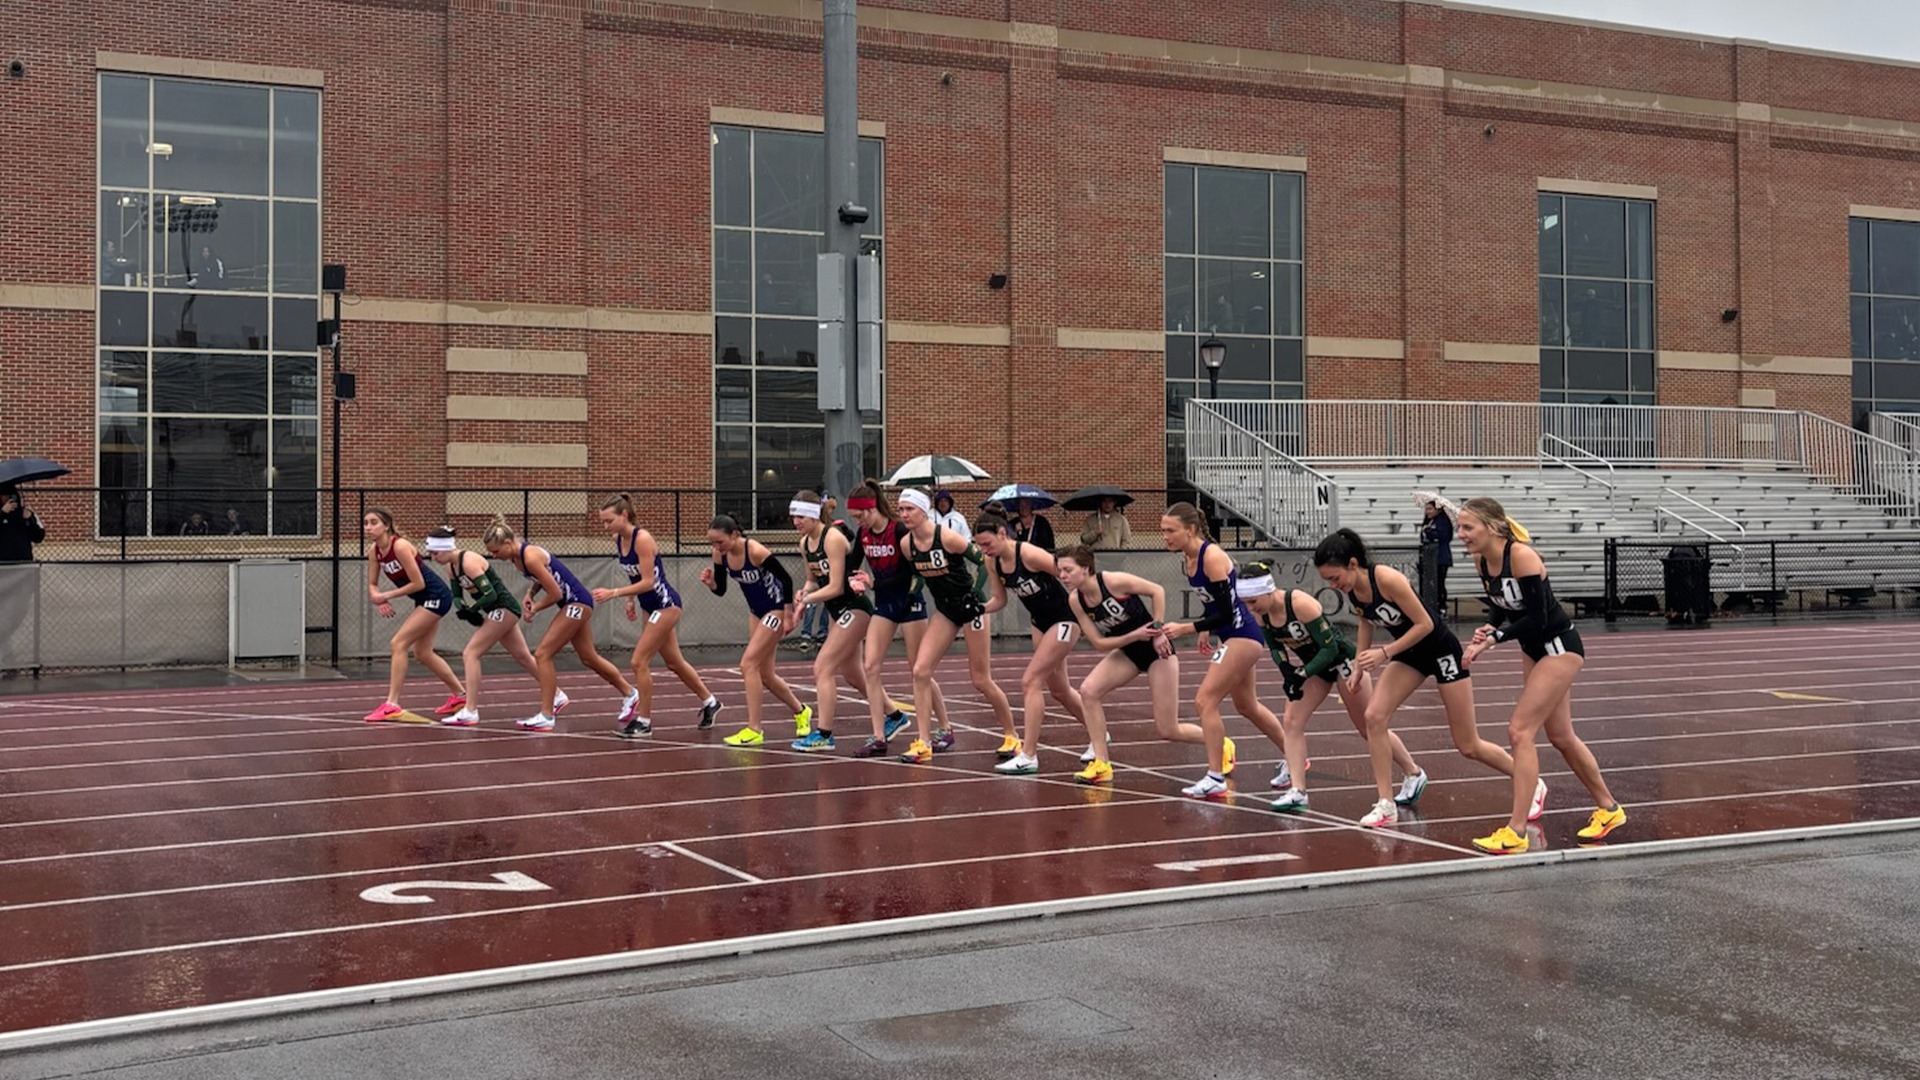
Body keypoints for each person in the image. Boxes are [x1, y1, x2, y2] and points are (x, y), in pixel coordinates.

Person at [1314, 527, 1536, 825]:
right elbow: (1365, 620)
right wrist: (1358, 666)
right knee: (1374, 717)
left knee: (1468, 744)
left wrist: (1385, 652)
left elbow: (1425, 624)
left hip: (1440, 650)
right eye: (1327, 580)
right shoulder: (1353, 589)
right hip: (1410, 655)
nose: (1333, 585)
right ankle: (1385, 802)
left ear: (1353, 564)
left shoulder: (1388, 579)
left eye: (1334, 578)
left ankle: (1528, 778)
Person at [1458, 497, 1626, 853]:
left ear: (1491, 526)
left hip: (1558, 646)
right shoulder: (1481, 562)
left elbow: (1540, 618)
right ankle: (1609, 809)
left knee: (1520, 730)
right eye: (1459, 527)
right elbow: (1503, 607)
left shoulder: (1521, 556)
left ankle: (1516, 831)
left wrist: (1494, 640)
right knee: (1562, 736)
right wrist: (1489, 627)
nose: (1461, 534)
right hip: (1534, 649)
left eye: (1467, 527)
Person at [1236, 560, 1427, 824]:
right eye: (1246, 603)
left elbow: (1330, 650)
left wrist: (1301, 673)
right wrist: (1286, 672)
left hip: (1342, 662)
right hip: (1315, 667)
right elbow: (1276, 648)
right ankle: (1297, 790)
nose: (1250, 608)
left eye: (1254, 601)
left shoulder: (1300, 604)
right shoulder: (1261, 612)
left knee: (1367, 726)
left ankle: (1413, 771)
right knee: (1291, 720)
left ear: (1268, 590)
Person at [1155, 502, 1286, 799]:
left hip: (1242, 633)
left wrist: (1188, 627)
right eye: (1162, 531)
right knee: (1247, 705)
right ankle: (1294, 756)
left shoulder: (1211, 556)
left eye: (1170, 531)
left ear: (1190, 530)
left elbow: (1228, 613)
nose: (1165, 537)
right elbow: (1215, 602)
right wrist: (1205, 627)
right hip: (1231, 635)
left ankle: (1215, 775)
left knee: (1205, 700)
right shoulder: (1188, 557)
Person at [483, 515, 639, 732]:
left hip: (576, 602)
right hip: (573, 603)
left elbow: (555, 592)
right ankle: (630, 693)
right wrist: (530, 593)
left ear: (508, 543)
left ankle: (547, 713)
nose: (493, 556)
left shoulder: (529, 555)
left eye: (496, 551)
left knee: (542, 654)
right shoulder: (516, 557)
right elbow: (543, 579)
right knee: (588, 657)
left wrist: (535, 608)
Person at [896, 488, 1017, 763]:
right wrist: (912, 594)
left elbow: (985, 561)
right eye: (901, 509)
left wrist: (975, 594)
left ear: (923, 510)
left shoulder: (947, 537)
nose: (904, 514)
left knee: (980, 679)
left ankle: (1011, 735)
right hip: (946, 609)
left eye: (909, 509)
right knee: (920, 670)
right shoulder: (907, 544)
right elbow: (919, 573)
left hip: (971, 607)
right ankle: (923, 741)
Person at [590, 494, 723, 738]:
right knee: (674, 662)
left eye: (609, 521)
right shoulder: (618, 539)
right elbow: (635, 575)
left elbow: (649, 582)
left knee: (638, 661)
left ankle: (644, 721)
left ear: (624, 516)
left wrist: (615, 593)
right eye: (603, 522)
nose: (606, 526)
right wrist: (630, 600)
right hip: (648, 606)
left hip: (666, 605)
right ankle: (710, 701)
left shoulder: (643, 539)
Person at [1055, 545, 1189, 785]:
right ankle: (1102, 763)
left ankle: (1220, 743)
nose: (1062, 576)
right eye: (1060, 571)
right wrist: (1134, 636)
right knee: (1088, 690)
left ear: (1086, 569)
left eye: (1067, 570)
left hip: (1158, 651)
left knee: (1168, 729)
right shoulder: (1076, 600)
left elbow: (1156, 590)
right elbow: (1098, 643)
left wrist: (1157, 630)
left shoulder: (1113, 582)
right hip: (1129, 650)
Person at [975, 514, 1088, 775]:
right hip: (1040, 623)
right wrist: (979, 608)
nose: (984, 550)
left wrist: (1085, 612)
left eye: (987, 543)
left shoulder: (1028, 554)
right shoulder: (993, 562)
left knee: (1030, 681)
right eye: (979, 545)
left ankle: (1029, 754)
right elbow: (999, 600)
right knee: (1060, 690)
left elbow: (1069, 575)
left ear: (1003, 534)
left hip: (1064, 620)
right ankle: (1098, 733)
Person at [846, 480, 942, 758]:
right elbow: (852, 564)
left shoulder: (898, 530)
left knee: (919, 670)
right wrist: (855, 580)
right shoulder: (863, 534)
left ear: (871, 508)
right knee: (870, 666)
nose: (858, 521)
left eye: (859, 516)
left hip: (909, 602)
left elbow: (913, 572)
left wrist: (875, 582)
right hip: (885, 604)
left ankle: (944, 727)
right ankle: (878, 735)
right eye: (854, 518)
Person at [425, 526, 558, 726]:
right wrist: (462, 608)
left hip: (503, 607)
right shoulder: (451, 567)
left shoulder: (468, 561)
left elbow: (491, 595)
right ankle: (556, 693)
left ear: (446, 549)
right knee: (522, 656)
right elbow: (457, 595)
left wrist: (474, 608)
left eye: (435, 553)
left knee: (471, 653)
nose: (433, 557)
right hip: (494, 610)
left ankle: (470, 709)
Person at [701, 512, 812, 746]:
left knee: (747, 664)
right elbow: (720, 589)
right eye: (712, 542)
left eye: (720, 542)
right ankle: (801, 711)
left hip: (775, 610)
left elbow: (786, 579)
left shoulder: (755, 551)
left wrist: (789, 615)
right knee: (765, 674)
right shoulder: (719, 555)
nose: (716, 547)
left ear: (735, 535)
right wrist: (711, 584)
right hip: (756, 612)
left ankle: (754, 728)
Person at [361, 507, 466, 723]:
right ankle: (460, 696)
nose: (368, 528)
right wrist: (379, 597)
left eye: (373, 523)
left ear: (387, 525)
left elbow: (418, 583)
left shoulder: (400, 546)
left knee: (398, 643)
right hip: (423, 598)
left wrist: (387, 594)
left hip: (435, 594)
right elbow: (372, 583)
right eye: (365, 523)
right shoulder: (374, 551)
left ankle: (392, 704)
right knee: (422, 653)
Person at [790, 490, 875, 752]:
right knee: (853, 675)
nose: (796, 522)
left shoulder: (833, 538)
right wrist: (804, 592)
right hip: (838, 611)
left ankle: (824, 733)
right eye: (793, 516)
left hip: (855, 607)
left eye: (801, 516)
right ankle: (895, 716)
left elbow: (837, 586)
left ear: (815, 514)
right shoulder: (805, 543)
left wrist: (809, 600)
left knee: (822, 667)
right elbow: (813, 579)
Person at [1421, 499, 1454, 612]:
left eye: (1430, 509)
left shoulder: (1443, 521)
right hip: (1429, 556)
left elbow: (1443, 537)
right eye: (1426, 509)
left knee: (1439, 582)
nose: (1427, 512)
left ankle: (1441, 606)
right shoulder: (1428, 521)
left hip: (1441, 557)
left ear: (1438, 509)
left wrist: (1429, 531)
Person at [0, 488, 46, 562]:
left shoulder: (25, 512)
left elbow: (38, 537)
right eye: (4, 495)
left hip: (23, 561)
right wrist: (2, 513)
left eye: (10, 495)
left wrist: (29, 520)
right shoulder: (2, 513)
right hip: (3, 562)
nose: (7, 498)